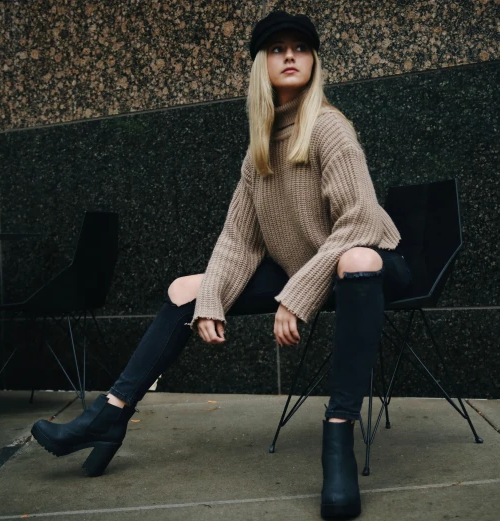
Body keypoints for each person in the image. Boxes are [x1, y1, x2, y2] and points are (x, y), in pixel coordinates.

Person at [31, 11, 411, 520]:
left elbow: (359, 223)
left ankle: (338, 434)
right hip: (306, 265)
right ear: (262, 64)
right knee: (185, 289)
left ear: (314, 61)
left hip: (371, 263)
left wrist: (295, 295)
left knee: (357, 260)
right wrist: (210, 299)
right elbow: (238, 237)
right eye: (278, 49)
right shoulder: (259, 146)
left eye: (301, 47)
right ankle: (111, 414)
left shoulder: (329, 127)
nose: (291, 55)